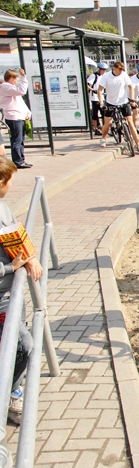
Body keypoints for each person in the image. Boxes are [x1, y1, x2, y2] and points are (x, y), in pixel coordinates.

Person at [0, 157, 43, 423]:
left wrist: (29, 257)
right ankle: (10, 392)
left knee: (17, 341)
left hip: (9, 292)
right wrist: (9, 268)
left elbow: (15, 235)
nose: (12, 185)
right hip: (3, 296)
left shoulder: (3, 207)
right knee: (23, 346)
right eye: (11, 180)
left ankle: (11, 386)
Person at [97, 61, 139, 154]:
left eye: (122, 70)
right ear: (114, 69)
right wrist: (102, 104)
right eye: (119, 70)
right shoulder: (106, 76)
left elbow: (130, 87)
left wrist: (132, 100)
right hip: (110, 102)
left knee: (130, 123)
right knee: (108, 123)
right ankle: (103, 138)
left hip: (123, 101)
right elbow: (99, 90)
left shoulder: (124, 75)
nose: (120, 72)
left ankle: (138, 146)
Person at [0, 69, 32, 168]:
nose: (17, 80)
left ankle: (21, 160)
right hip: (13, 117)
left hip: (19, 116)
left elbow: (20, 103)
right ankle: (18, 161)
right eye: (16, 78)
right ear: (11, 78)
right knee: (16, 140)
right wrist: (24, 77)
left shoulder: (12, 88)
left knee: (20, 140)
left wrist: (27, 113)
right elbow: (22, 91)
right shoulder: (5, 87)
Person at [87, 62, 108, 135]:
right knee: (95, 114)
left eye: (105, 70)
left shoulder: (104, 76)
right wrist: (93, 90)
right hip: (94, 98)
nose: (104, 71)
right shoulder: (94, 76)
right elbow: (87, 85)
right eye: (102, 70)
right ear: (99, 69)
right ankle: (96, 129)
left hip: (102, 97)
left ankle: (104, 128)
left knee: (104, 114)